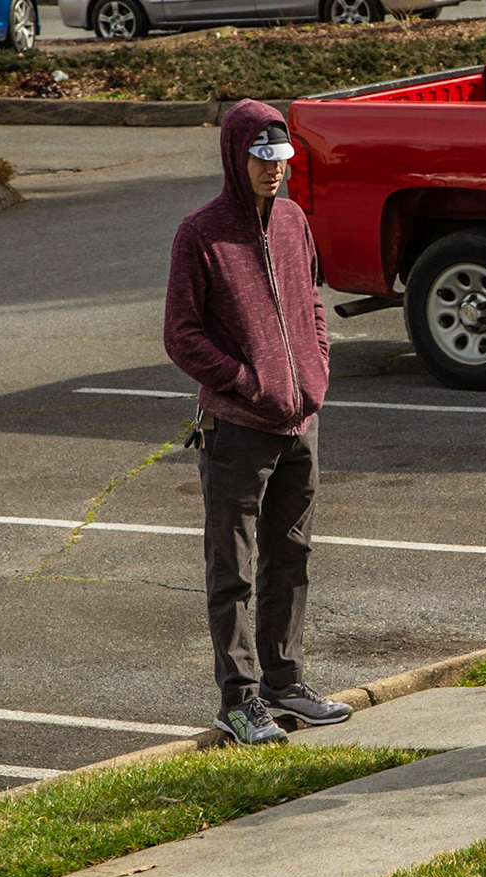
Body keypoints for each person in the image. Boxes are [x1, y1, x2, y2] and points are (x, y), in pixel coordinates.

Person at [163, 100, 353, 745]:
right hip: (238, 429)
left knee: (291, 558)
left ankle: (285, 682)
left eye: (281, 159)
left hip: (302, 422)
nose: (273, 170)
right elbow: (182, 337)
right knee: (233, 570)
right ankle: (238, 699)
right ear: (234, 156)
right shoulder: (201, 234)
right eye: (260, 158)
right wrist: (250, 384)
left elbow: (313, 304)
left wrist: (315, 375)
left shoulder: (296, 221)